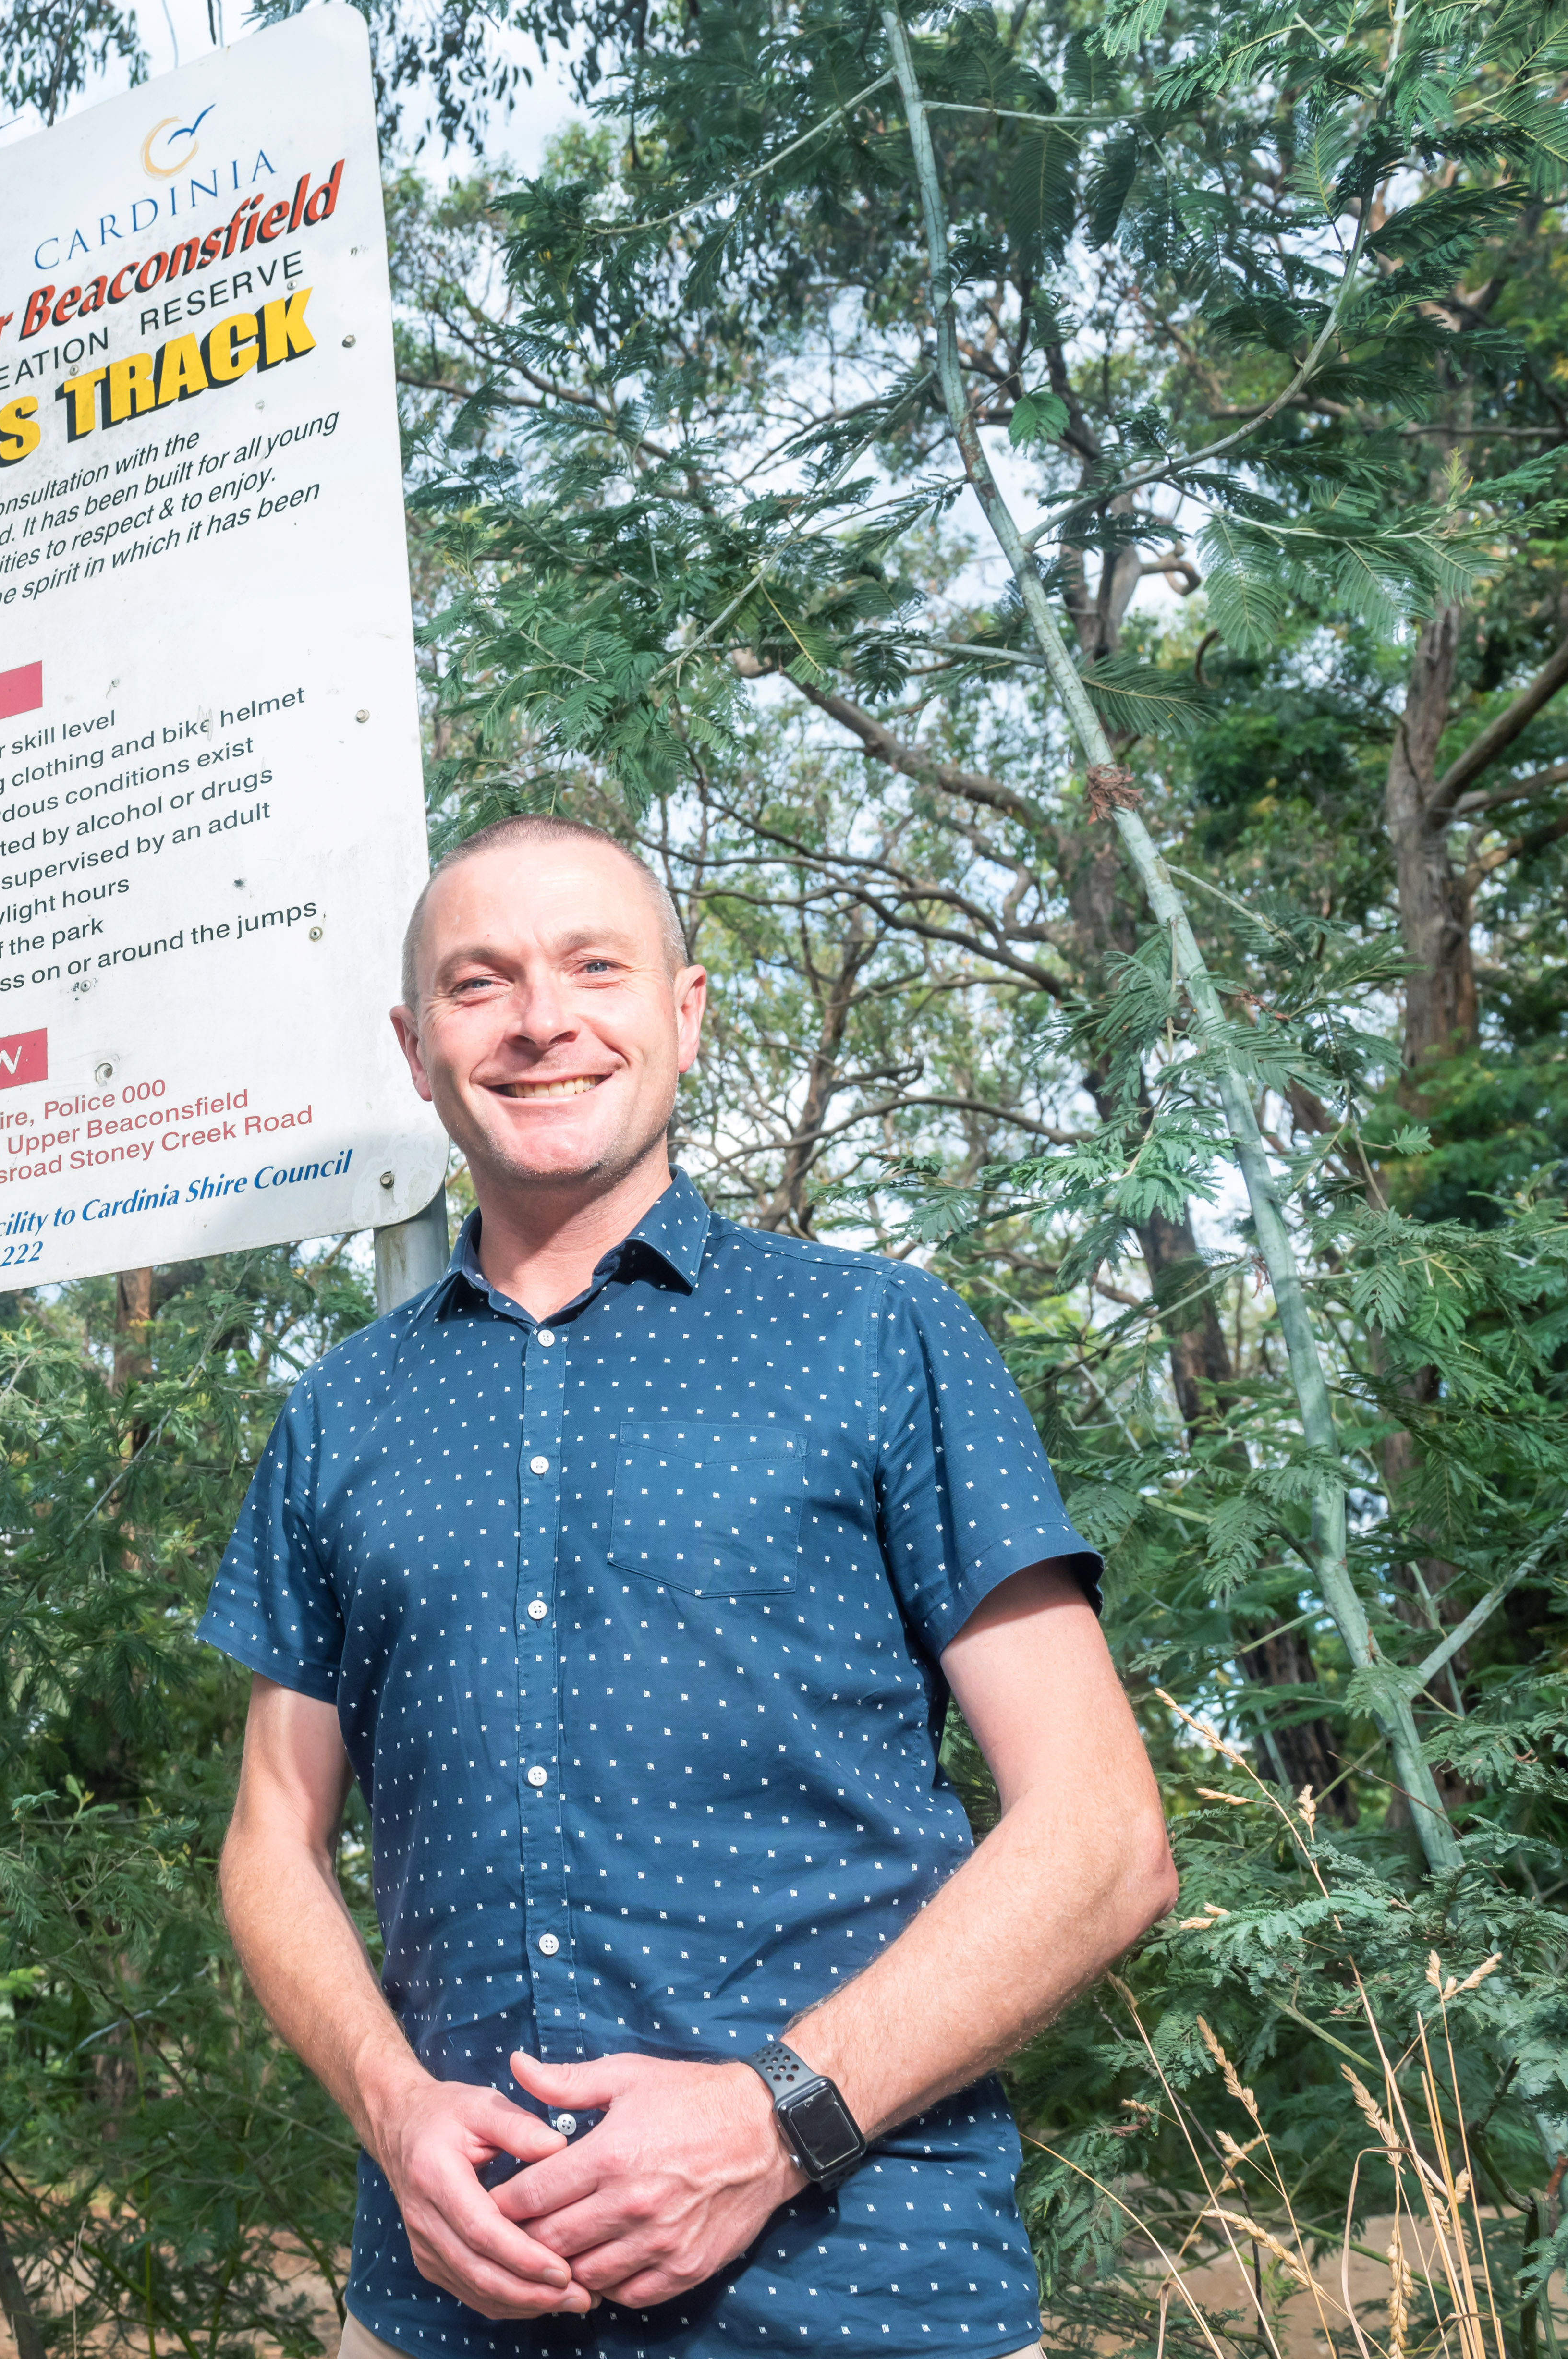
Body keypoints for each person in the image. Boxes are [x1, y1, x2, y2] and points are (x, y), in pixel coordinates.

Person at [206, 815, 1174, 2359]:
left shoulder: (880, 1339)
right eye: (481, 983)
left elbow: (1103, 1838)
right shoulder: (341, 1413)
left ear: (687, 1013)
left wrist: (771, 2122)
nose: (541, 1018)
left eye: (597, 965)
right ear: (415, 1046)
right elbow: (270, 1838)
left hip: (865, 2302)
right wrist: (392, 2117)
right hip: (440, 2316)